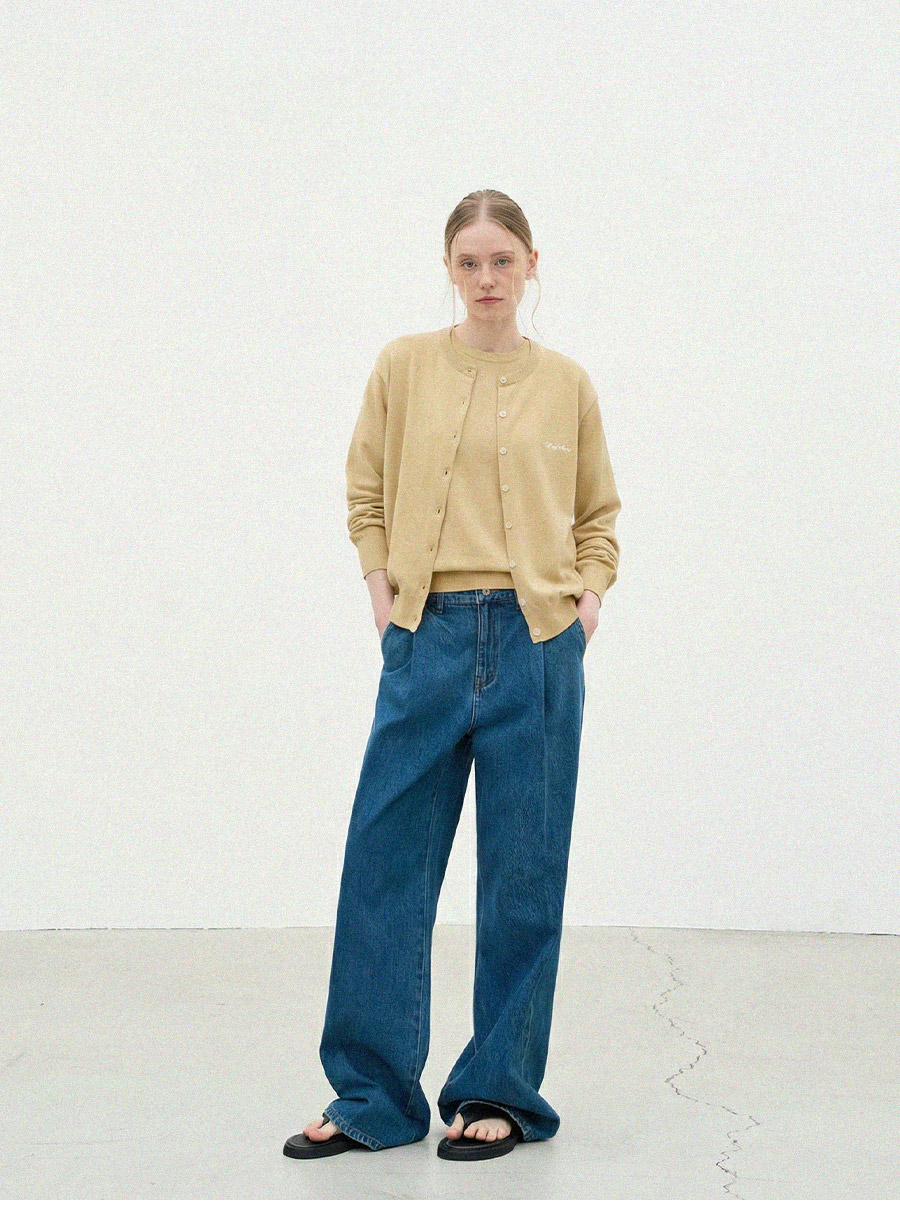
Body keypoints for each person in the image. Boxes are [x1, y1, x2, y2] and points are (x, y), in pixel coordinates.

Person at [284, 189, 621, 1162]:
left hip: (537, 641)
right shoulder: (403, 366)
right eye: (469, 262)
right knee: (384, 864)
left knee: (523, 876)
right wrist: (382, 595)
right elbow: (366, 491)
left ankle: (497, 1090)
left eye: (502, 260)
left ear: (531, 265)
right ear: (449, 267)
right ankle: (373, 1095)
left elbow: (598, 514)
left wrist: (584, 603)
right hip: (426, 636)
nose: (486, 279)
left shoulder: (567, 383)